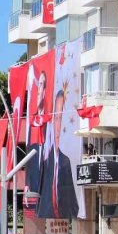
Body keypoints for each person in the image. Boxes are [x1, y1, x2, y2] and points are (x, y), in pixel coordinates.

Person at [38, 90, 78, 218]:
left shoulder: (66, 161)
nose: (58, 126)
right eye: (56, 118)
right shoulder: (44, 162)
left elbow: (73, 205)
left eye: (61, 118)